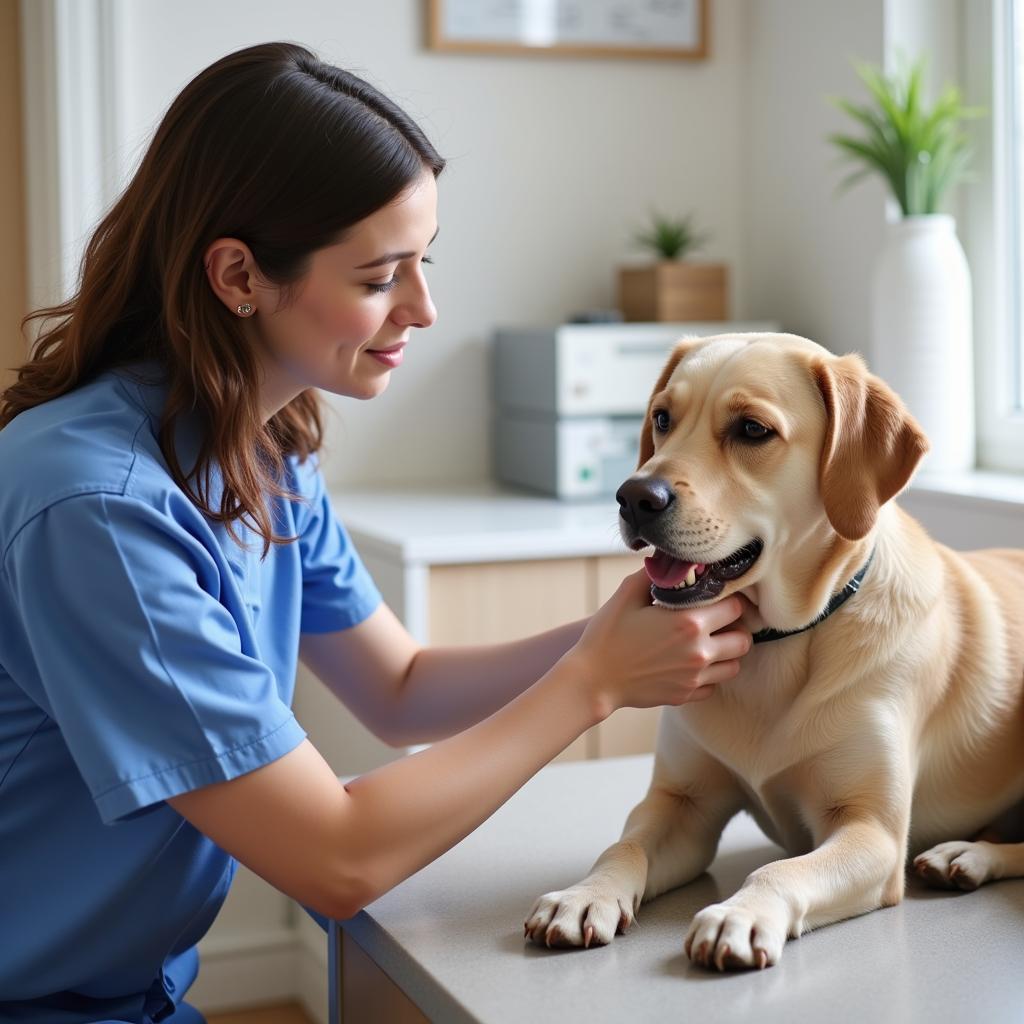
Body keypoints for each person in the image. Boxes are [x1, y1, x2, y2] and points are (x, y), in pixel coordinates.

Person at [0, 41, 752, 1024]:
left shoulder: (259, 449)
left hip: (132, 993)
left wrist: (612, 633)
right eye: (379, 275)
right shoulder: (97, 509)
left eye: (422, 262)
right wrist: (595, 682)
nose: (424, 308)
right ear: (237, 274)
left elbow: (398, 690)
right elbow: (337, 856)